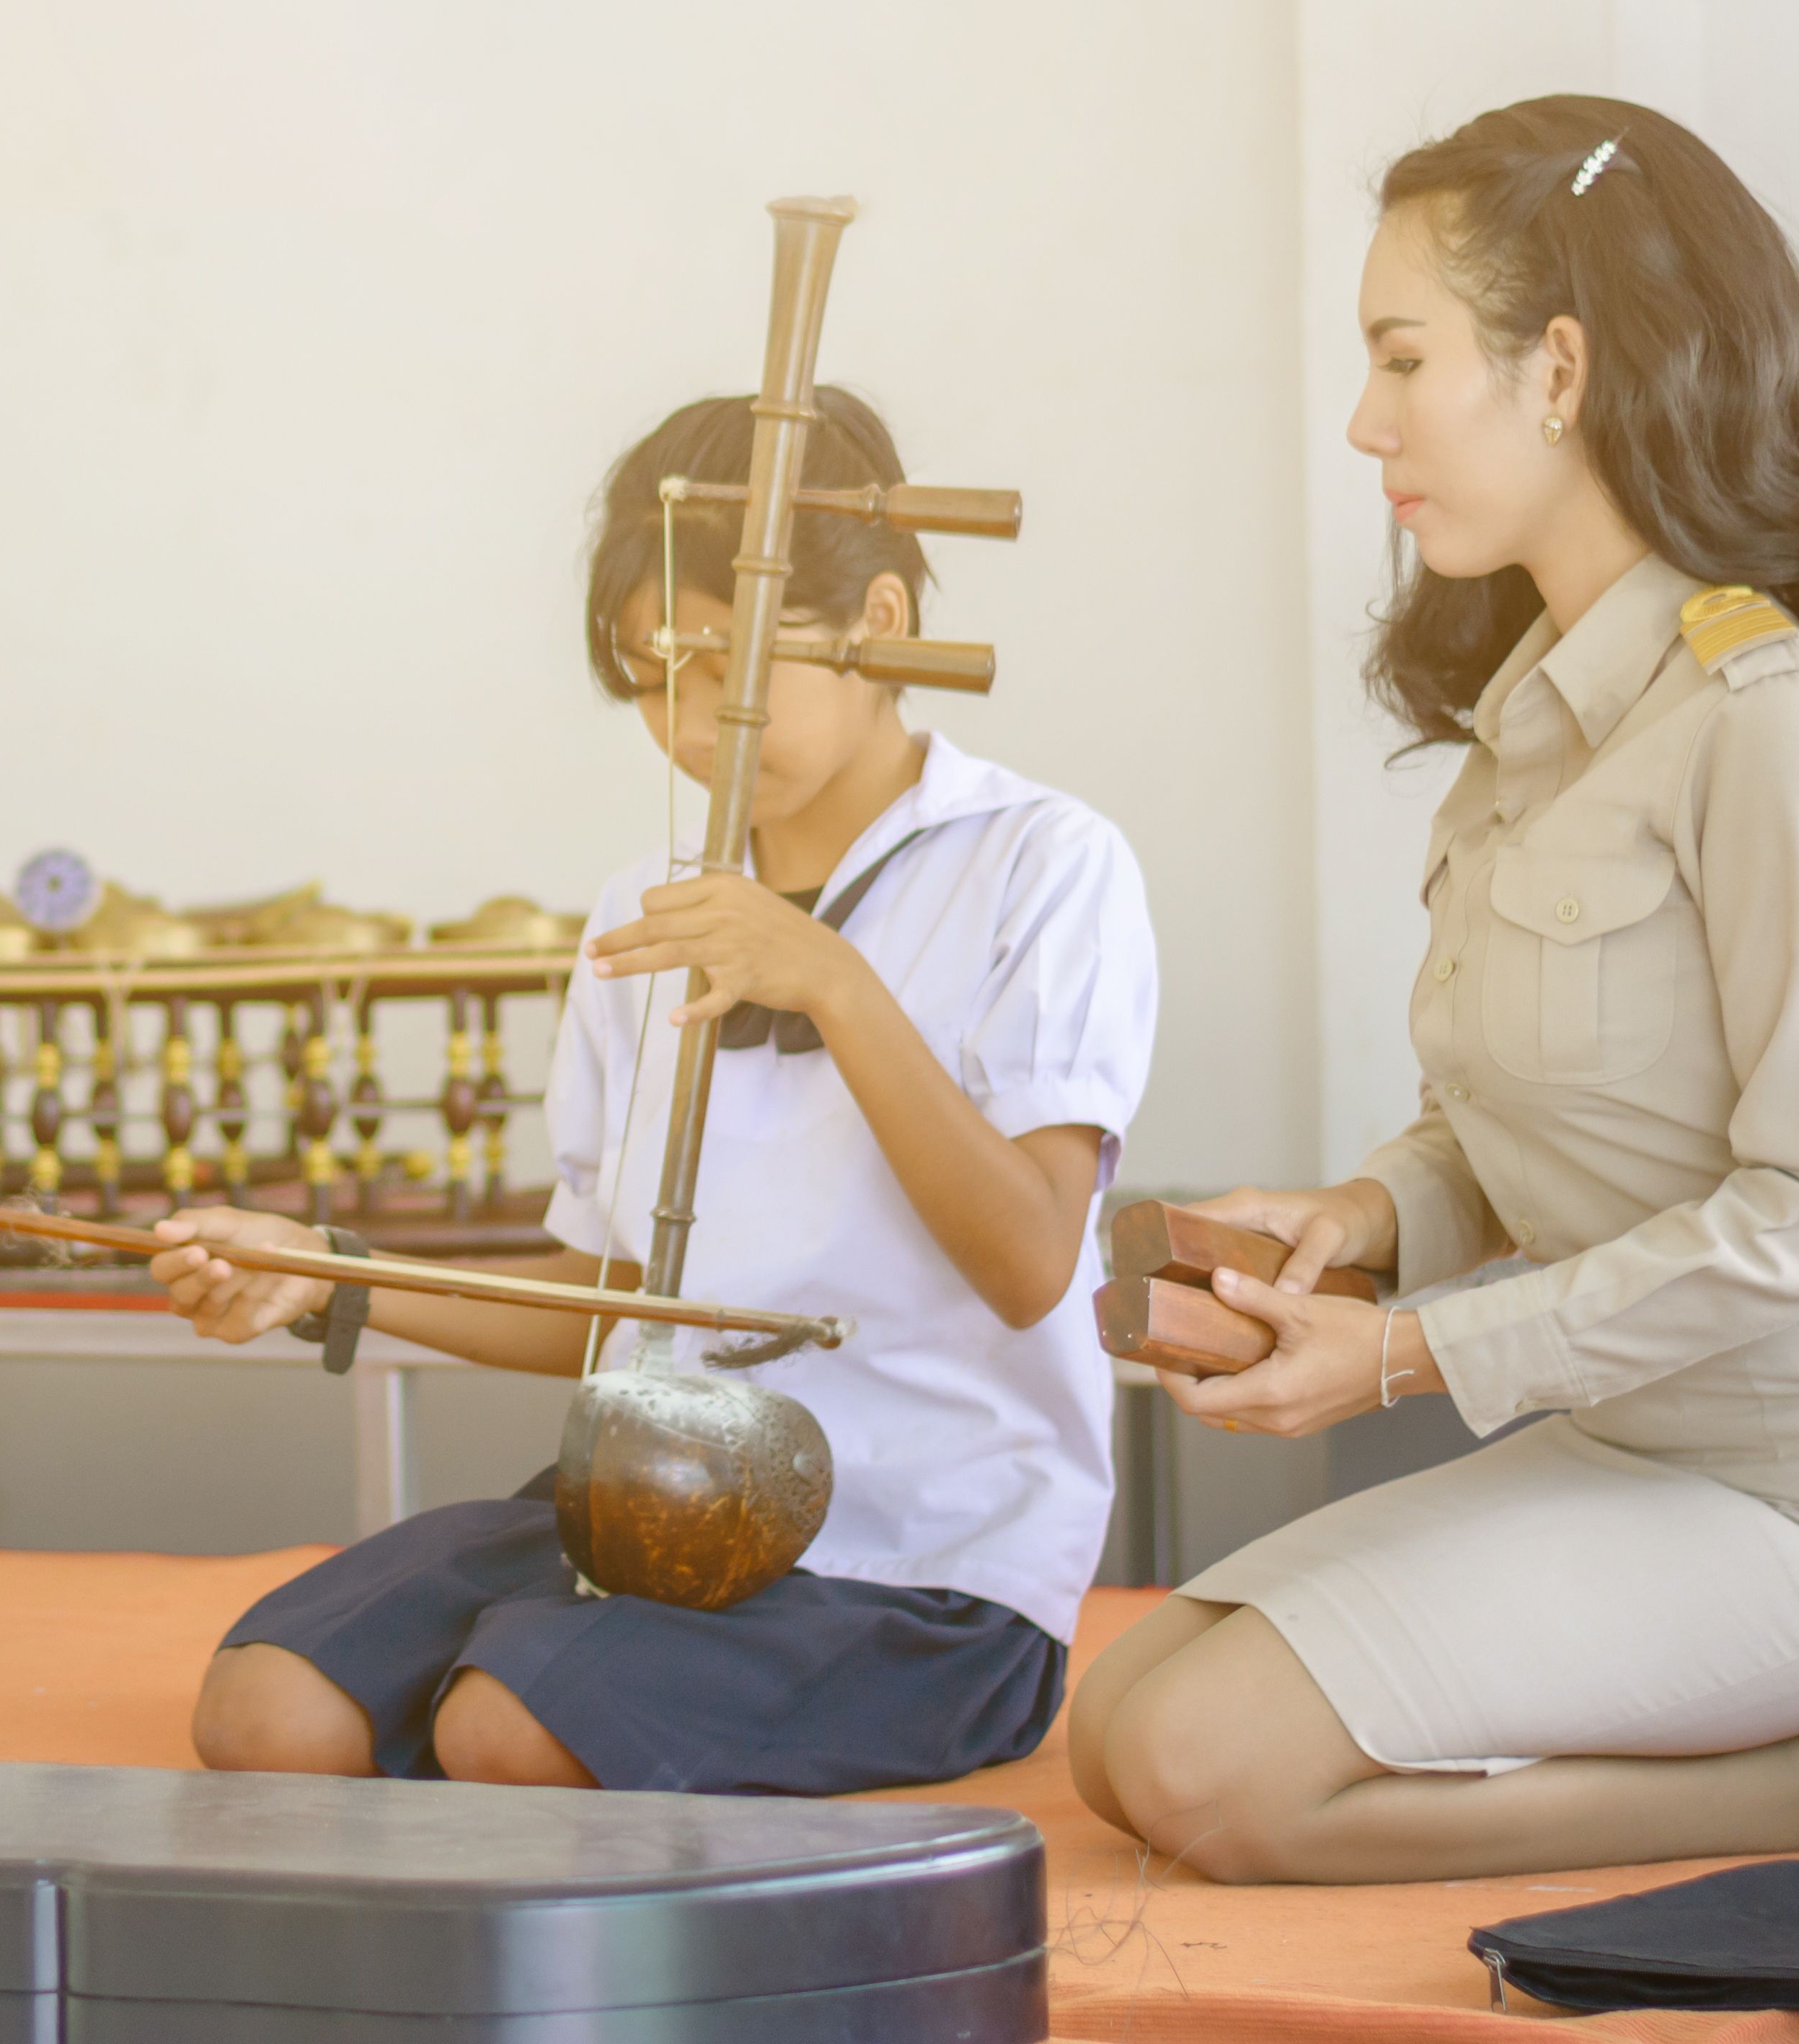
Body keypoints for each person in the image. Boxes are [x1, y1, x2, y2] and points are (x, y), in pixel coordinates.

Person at [1067, 97, 1799, 1884]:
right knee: (1123, 1718)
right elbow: (1514, 1104)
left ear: (1558, 369)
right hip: (1633, 1437)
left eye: (1403, 358)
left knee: (1216, 1773)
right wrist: (1367, 1211)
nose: (1367, 422)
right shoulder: (1534, 716)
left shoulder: (1772, 723)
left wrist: (1404, 1351)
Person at [149, 389, 1159, 1794]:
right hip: (658, 1500)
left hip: (919, 1554)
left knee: (507, 1728)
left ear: (878, 615)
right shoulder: (648, 904)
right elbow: (610, 1293)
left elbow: (1033, 1259)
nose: (687, 723)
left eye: (721, 665)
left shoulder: (1043, 863)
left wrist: (833, 982)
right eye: (646, 673)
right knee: (267, 1710)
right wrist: (328, 1270)